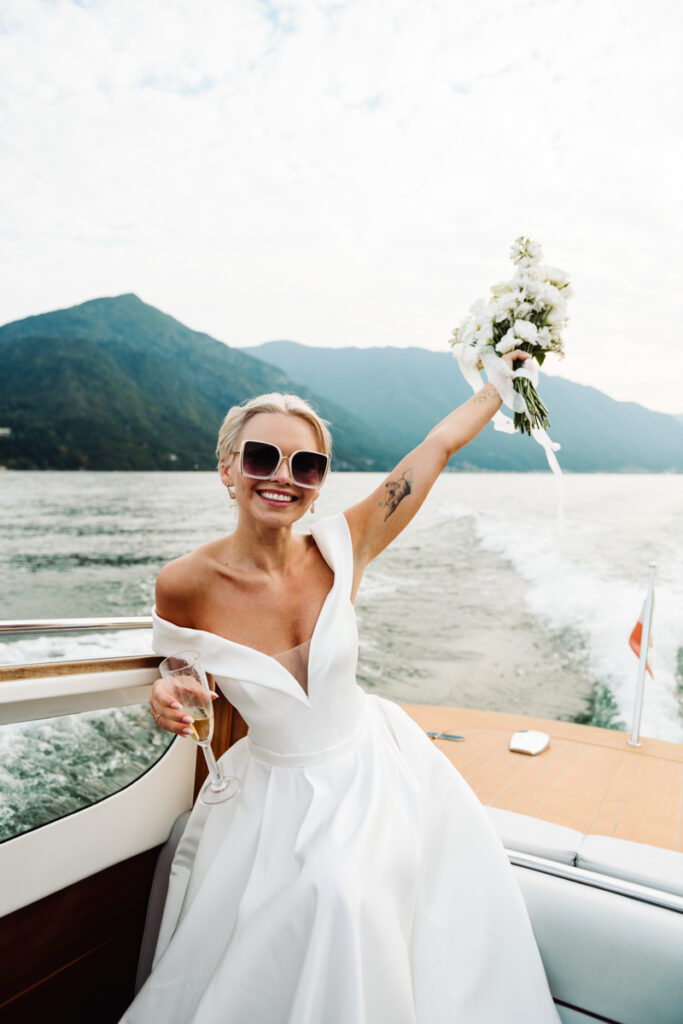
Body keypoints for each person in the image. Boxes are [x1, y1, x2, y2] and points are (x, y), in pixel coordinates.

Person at [121, 361, 560, 1023]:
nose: (282, 477)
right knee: (327, 897)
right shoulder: (185, 584)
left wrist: (501, 381)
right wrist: (169, 692)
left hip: (375, 771)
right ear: (227, 469)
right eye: (263, 457)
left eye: (307, 465)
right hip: (271, 795)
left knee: (342, 893)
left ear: (320, 484)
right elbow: (183, 667)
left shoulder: (343, 546)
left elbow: (435, 446)